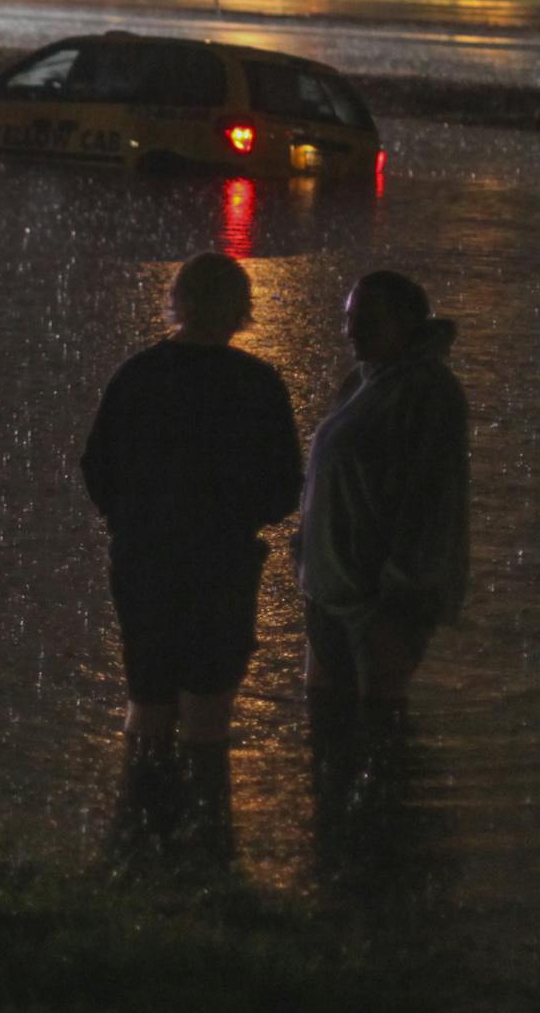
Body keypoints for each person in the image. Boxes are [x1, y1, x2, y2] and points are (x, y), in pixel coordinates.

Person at [82, 253, 302, 860]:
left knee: (147, 697)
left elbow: (96, 467)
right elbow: (285, 486)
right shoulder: (259, 385)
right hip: (221, 565)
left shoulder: (138, 375)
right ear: (241, 309)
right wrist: (233, 518)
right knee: (208, 709)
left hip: (144, 560)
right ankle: (208, 847)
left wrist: (132, 520)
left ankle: (135, 835)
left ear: (176, 301)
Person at [297, 271, 469, 713]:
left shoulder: (430, 392)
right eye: (350, 317)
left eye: (368, 319)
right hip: (329, 588)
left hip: (380, 604)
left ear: (407, 323)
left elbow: (432, 500)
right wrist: (304, 552)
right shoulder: (362, 381)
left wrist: (400, 593)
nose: (351, 330)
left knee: (377, 730)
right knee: (325, 722)